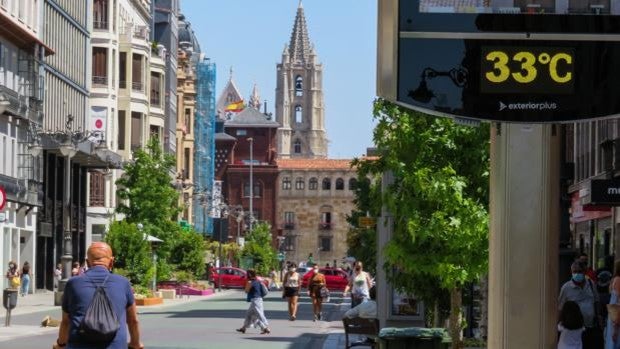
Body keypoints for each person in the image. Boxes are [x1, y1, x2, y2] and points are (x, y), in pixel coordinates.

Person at [53, 242, 143, 349]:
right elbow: (133, 321)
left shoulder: (73, 283)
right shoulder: (123, 283)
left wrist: (61, 344)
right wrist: (135, 343)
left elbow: (66, 322)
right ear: (111, 262)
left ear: (87, 262)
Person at [559, 261, 603, 348]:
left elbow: (596, 301)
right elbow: (560, 308)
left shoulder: (590, 284)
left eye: (579, 271)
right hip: (575, 331)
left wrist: (599, 316)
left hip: (591, 327)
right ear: (571, 273)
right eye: (574, 272)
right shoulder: (566, 288)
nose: (577, 274)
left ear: (584, 272)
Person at [236, 269, 270, 334]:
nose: (246, 276)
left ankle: (267, 327)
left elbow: (246, 291)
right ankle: (243, 328)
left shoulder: (250, 282)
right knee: (249, 314)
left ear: (250, 274)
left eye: (247, 274)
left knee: (259, 315)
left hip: (255, 301)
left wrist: (247, 284)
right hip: (258, 300)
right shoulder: (258, 281)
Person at [606, 260, 620, 349]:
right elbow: (618, 304)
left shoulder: (614, 280)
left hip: (613, 317)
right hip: (616, 318)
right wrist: (615, 327)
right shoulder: (618, 280)